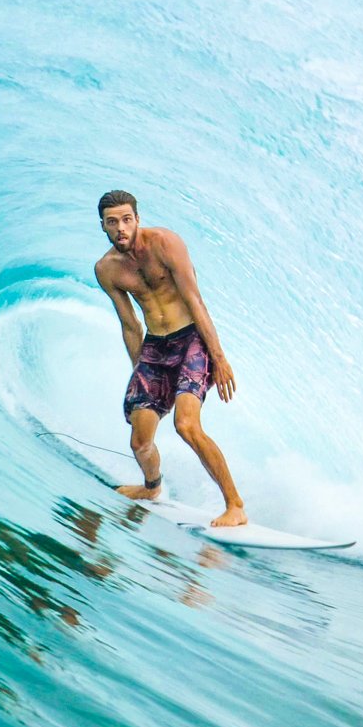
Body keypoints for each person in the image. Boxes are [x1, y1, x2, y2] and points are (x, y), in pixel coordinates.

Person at [93, 190, 246, 527]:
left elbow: (195, 301)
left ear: (138, 219)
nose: (121, 227)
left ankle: (235, 506)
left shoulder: (165, 244)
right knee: (140, 439)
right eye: (112, 222)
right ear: (102, 226)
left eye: (127, 219)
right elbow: (130, 324)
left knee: (186, 426)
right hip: (154, 348)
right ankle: (152, 488)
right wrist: (140, 373)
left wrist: (219, 358)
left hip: (191, 339)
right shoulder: (107, 269)